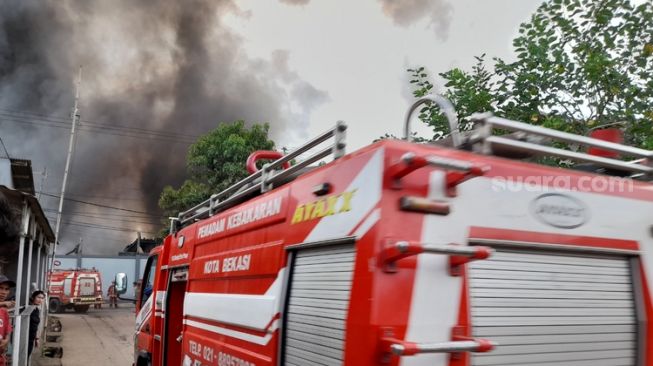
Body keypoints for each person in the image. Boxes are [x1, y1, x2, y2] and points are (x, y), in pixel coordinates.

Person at [0, 275, 15, 366]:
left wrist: (7, 339)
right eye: (0, 288)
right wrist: (3, 303)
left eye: (6, 289)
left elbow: (8, 330)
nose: (3, 292)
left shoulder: (4, 311)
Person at [27, 290, 45, 360]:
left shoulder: (36, 309)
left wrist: (36, 338)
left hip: (31, 338)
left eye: (42, 298)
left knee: (27, 357)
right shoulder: (28, 308)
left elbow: (35, 326)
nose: (40, 300)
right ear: (33, 297)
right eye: (38, 297)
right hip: (25, 338)